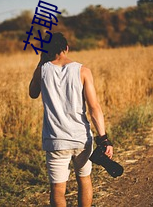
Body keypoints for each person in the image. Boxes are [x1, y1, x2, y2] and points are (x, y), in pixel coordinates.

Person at [29, 32, 113, 207]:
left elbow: (32, 93)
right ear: (66, 48)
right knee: (84, 180)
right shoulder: (83, 71)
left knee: (58, 190)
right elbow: (94, 107)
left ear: (46, 51)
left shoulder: (42, 70)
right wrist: (104, 138)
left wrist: (41, 62)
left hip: (55, 141)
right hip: (81, 138)